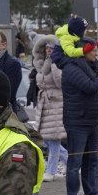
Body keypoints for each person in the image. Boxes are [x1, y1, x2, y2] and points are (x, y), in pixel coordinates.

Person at [53, 27, 98, 195]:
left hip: (91, 120)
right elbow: (89, 87)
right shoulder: (71, 68)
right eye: (93, 49)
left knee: (91, 161)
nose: (96, 52)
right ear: (83, 51)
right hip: (77, 122)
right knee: (75, 163)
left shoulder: (91, 65)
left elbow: (96, 82)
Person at [31, 35, 67, 183]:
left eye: (51, 48)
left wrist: (54, 65)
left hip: (56, 105)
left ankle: (51, 171)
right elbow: (41, 83)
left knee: (54, 140)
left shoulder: (59, 64)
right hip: (44, 104)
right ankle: (69, 161)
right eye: (46, 48)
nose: (48, 51)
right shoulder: (41, 64)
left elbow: (61, 83)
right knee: (48, 139)